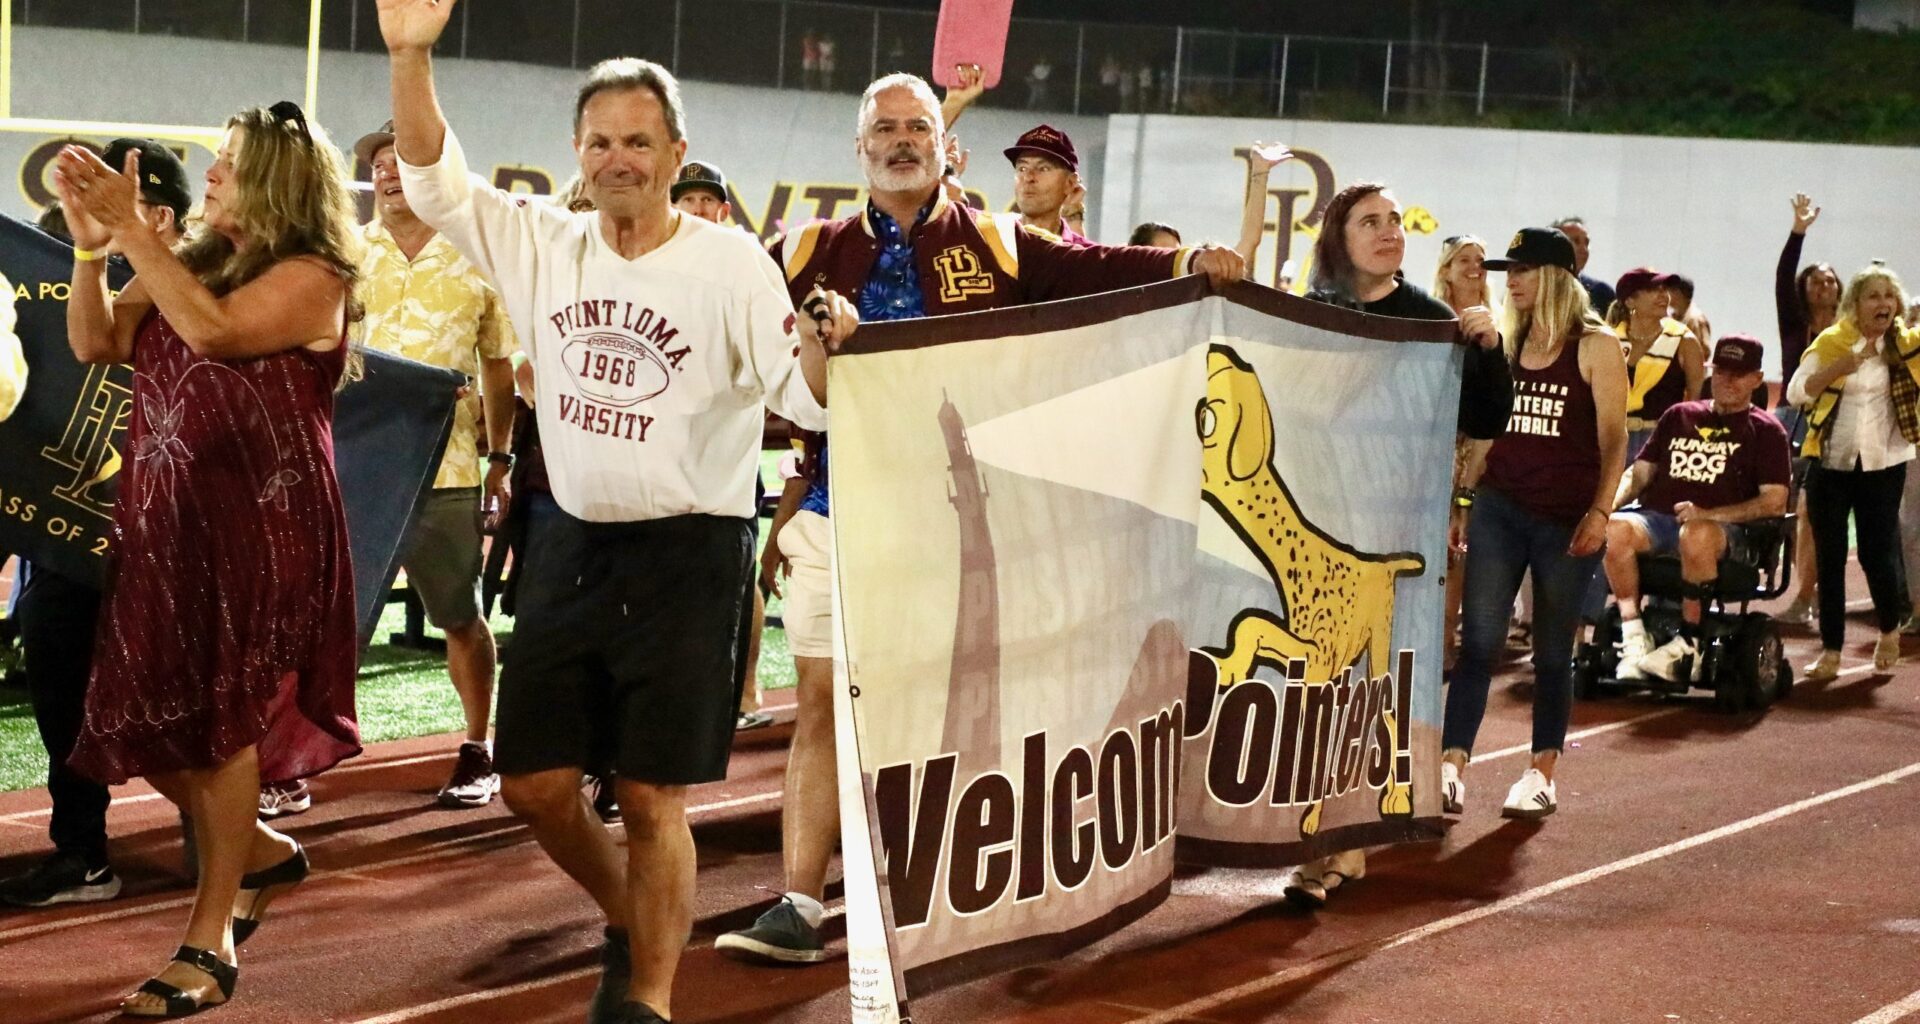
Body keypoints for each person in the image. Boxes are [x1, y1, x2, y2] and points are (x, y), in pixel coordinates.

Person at [714, 71, 1243, 966]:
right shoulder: (801, 249)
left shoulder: (998, 241)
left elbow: (1099, 269)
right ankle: (801, 905)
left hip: (959, 526)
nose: (901, 140)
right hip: (839, 510)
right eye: (884, 128)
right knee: (818, 701)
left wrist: (1188, 263)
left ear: (942, 144)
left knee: (940, 710)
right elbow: (727, 314)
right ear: (859, 147)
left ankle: (948, 891)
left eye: (917, 126)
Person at [381, 0, 841, 1016]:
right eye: (601, 141)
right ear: (576, 154)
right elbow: (433, 178)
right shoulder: (541, 242)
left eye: (640, 140)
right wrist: (411, 53)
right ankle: (638, 912)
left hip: (690, 557)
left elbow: (802, 397)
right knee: (535, 786)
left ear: (677, 151)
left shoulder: (728, 263)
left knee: (647, 795)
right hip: (570, 549)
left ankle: (652, 995)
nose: (619, 157)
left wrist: (820, 341)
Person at [55, 101, 362, 1016]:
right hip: (164, 527)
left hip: (259, 533)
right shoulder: (188, 258)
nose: (212, 172)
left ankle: (210, 935)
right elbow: (97, 341)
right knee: (135, 721)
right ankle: (260, 853)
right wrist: (88, 248)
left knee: (223, 725)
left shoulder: (316, 274)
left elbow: (217, 334)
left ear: (276, 178)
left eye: (229, 159)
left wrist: (137, 241)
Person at [1278, 183, 1508, 910]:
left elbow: (1485, 415)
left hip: (1392, 529)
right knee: (1313, 687)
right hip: (1316, 520)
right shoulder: (1311, 312)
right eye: (1368, 222)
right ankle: (1324, 841)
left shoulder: (1430, 319)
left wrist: (1491, 350)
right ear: (1338, 238)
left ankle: (1337, 845)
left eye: (1394, 223)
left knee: (1369, 686)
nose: (1387, 233)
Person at [0, 141, 194, 911]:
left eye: (110, 193)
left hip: (175, 536)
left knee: (185, 697)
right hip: (69, 536)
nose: (92, 206)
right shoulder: (73, 274)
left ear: (161, 215)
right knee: (57, 684)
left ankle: (225, 842)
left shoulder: (209, 281)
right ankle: (80, 851)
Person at [352, 118, 520, 810]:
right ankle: (297, 761)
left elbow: (498, 367)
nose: (389, 173)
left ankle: (478, 747)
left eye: (403, 162)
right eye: (381, 163)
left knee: (458, 615)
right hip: (358, 468)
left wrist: (500, 458)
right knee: (334, 622)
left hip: (447, 468)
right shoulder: (346, 254)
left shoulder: (476, 257)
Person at [1445, 227, 1628, 821]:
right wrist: (1464, 502)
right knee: (1478, 643)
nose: (1510, 280)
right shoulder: (1507, 341)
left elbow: (1613, 440)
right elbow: (1485, 430)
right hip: (1501, 507)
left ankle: (1541, 771)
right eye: (1508, 272)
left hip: (1565, 519)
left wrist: (1601, 513)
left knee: (1552, 653)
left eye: (1521, 270)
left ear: (1554, 276)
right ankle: (1450, 767)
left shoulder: (1596, 346)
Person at [1604, 335, 1791, 682]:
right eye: (1721, 371)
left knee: (1696, 534)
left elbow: (1774, 501)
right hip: (1659, 520)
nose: (1728, 381)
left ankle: (1690, 641)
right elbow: (1640, 472)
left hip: (1728, 534)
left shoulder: (1766, 431)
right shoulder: (1679, 416)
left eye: (1739, 373)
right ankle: (1633, 634)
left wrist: (1709, 515)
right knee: (1613, 529)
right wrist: (1607, 506)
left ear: (1756, 379)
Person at [669, 159, 773, 732]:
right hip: (666, 451)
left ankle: (748, 688)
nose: (696, 209)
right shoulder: (653, 266)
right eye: (685, 200)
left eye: (706, 200)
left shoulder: (744, 267)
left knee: (739, 575)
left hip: (728, 451)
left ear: (724, 211)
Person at [1786, 262, 1918, 681]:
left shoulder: (1907, 345)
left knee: (1877, 554)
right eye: (1873, 296)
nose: (1883, 303)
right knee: (1830, 556)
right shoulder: (1833, 341)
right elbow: (1795, 392)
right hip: (1831, 460)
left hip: (1884, 461)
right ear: (1855, 304)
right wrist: (1841, 366)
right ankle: (1831, 649)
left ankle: (1889, 628)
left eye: (1888, 296)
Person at [1777, 192, 1840, 627]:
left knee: (1816, 513)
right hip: (1793, 421)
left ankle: (1813, 593)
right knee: (1794, 511)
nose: (1824, 285)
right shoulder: (1793, 323)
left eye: (1832, 280)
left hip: (1839, 422)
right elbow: (1783, 279)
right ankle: (1802, 594)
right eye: (1816, 279)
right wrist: (1798, 232)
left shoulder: (1848, 331)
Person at [1608, 266, 1706, 457]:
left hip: (1661, 441)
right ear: (1630, 301)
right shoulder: (1610, 339)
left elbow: (1696, 403)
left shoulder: (1684, 340)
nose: (1663, 295)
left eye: (1664, 289)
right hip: (1612, 437)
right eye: (1653, 289)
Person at [1004, 125, 1088, 243]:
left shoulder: (1083, 255)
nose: (1028, 177)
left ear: (1070, 183)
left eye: (1043, 168)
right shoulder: (988, 242)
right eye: (1022, 168)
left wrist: (1073, 214)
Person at [1553, 215, 1615, 314]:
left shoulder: (1601, 292)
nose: (1584, 250)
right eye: (1576, 241)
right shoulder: (1537, 287)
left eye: (1587, 243)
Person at [1661, 272, 1712, 351]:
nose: (1665, 294)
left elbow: (1702, 352)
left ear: (1680, 294)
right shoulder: (1672, 317)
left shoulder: (1695, 319)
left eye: (1671, 290)